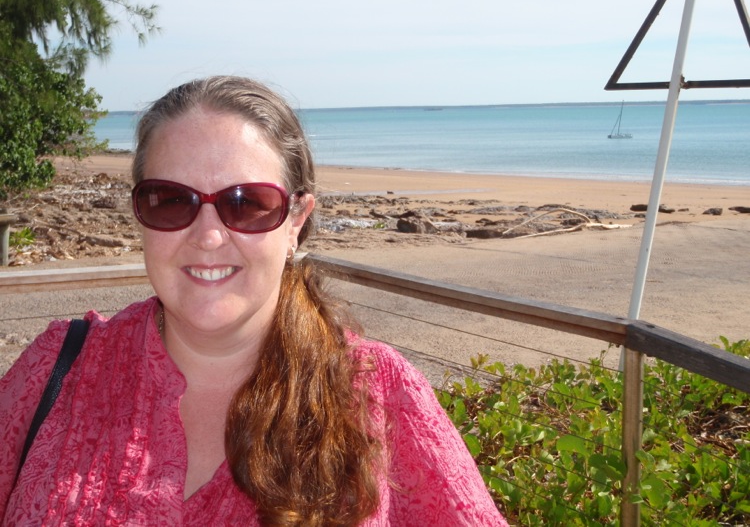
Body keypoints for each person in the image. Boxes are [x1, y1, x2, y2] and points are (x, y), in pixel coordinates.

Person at [0, 76, 508, 526]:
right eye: (171, 200)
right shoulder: (57, 367)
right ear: (140, 213)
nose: (208, 236)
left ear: (295, 222)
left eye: (246, 204)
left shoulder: (376, 392)